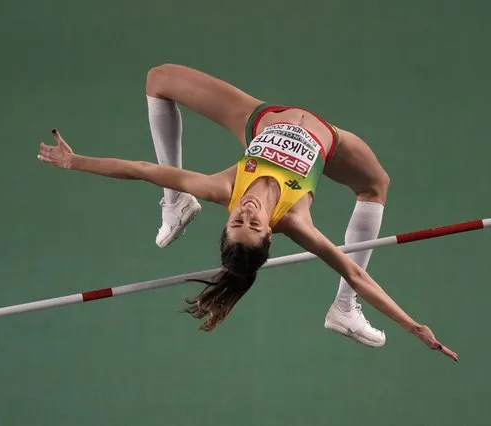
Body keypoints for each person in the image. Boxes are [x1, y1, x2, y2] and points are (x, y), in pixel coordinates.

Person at [37, 63, 458, 361]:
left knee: (159, 78)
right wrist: (414, 327)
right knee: (375, 186)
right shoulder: (296, 220)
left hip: (262, 118)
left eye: (236, 219)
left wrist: (75, 162)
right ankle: (344, 310)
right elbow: (357, 274)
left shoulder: (224, 189)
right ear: (270, 233)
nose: (248, 212)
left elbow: (142, 169)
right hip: (330, 141)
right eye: (254, 223)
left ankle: (176, 202)